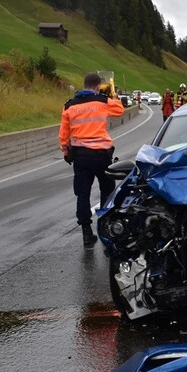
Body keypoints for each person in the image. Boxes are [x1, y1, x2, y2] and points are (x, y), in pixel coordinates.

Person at [59, 72, 125, 245]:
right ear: (98, 86)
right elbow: (120, 109)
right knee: (107, 191)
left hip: (81, 156)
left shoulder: (69, 106)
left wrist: (66, 152)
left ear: (84, 85)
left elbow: (64, 134)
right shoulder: (102, 102)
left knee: (82, 194)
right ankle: (105, 227)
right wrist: (110, 95)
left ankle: (86, 232)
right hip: (101, 155)